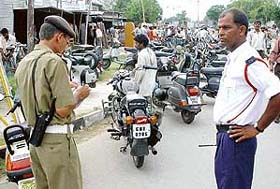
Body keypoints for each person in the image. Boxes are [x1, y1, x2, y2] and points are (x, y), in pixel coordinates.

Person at [14, 15, 90, 189]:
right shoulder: (54, 61)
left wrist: (64, 85)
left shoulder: (24, 62)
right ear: (59, 37)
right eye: (67, 41)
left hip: (36, 142)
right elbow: (63, 110)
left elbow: (38, 90)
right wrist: (79, 94)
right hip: (56, 143)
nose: (66, 46)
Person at [214, 8, 280, 189]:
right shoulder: (234, 58)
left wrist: (258, 128)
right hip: (225, 137)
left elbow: (277, 92)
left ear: (241, 30)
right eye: (219, 28)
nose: (221, 32)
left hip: (237, 140)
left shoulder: (250, 61)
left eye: (226, 28)